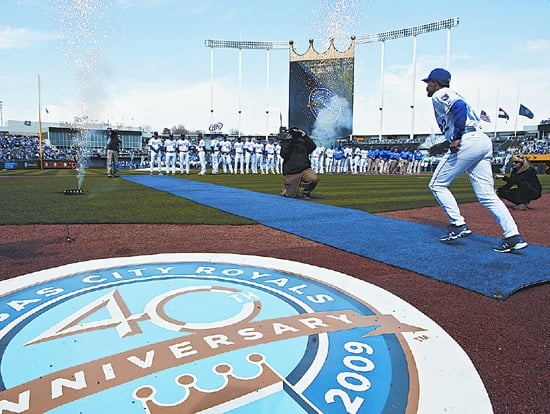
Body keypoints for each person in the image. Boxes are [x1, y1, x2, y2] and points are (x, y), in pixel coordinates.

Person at [422, 68, 527, 253]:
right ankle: (513, 236)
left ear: (435, 83)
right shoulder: (448, 93)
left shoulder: (440, 94)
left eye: (428, 83)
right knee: (487, 194)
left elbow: (459, 107)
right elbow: (459, 117)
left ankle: (458, 225)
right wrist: (442, 145)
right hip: (481, 141)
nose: (427, 86)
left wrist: (456, 138)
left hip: (468, 140)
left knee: (437, 184)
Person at [280, 127, 318, 199]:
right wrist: (287, 141)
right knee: (290, 195)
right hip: (292, 171)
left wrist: (305, 136)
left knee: (313, 179)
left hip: (304, 168)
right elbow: (283, 154)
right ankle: (285, 189)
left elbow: (313, 146)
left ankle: (306, 193)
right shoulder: (287, 143)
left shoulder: (303, 142)